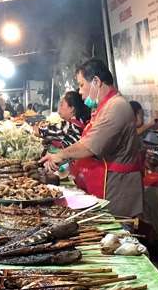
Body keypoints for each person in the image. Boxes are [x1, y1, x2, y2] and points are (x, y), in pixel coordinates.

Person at [39, 59, 143, 218]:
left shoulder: (116, 107)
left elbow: (89, 146)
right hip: (104, 182)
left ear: (96, 81)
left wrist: (60, 156)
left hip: (116, 187)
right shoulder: (103, 107)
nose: (80, 91)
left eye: (81, 85)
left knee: (116, 235)